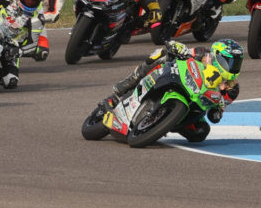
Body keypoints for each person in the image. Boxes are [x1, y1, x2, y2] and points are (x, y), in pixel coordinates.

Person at [103, 38, 244, 142]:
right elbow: (180, 50)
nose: (232, 67)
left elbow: (217, 112)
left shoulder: (232, 89)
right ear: (216, 55)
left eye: (236, 64)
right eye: (228, 62)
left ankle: (165, 123)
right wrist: (177, 48)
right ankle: (130, 82)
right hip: (178, 79)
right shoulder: (202, 53)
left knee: (202, 132)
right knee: (162, 54)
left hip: (195, 104)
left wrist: (217, 112)